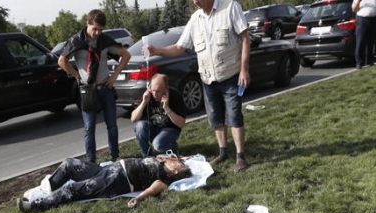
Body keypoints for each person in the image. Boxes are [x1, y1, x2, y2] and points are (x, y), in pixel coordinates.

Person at [147, 0, 251, 172]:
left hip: (231, 75)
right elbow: (179, 47)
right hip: (208, 78)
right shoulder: (195, 19)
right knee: (216, 117)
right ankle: (223, 152)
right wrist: (157, 51)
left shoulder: (231, 7)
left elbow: (245, 39)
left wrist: (244, 70)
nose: (195, 2)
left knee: (234, 116)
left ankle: (240, 157)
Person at [58, 9, 131, 163]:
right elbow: (62, 61)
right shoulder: (76, 41)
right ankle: (91, 161)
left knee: (112, 125)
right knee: (89, 128)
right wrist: (76, 75)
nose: (97, 32)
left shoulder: (104, 40)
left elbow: (126, 55)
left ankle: (115, 157)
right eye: (95, 28)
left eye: (100, 29)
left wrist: (115, 75)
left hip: (105, 88)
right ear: (88, 23)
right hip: (88, 90)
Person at [17, 156, 193, 213]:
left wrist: (138, 199)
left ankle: (36, 206)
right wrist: (185, 158)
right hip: (111, 169)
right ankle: (48, 193)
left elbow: (153, 189)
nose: (173, 160)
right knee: (69, 164)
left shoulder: (165, 177)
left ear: (176, 171)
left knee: (72, 190)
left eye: (176, 162)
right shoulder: (163, 162)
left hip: (116, 180)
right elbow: (179, 158)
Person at [130, 73, 187, 157]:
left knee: (158, 145)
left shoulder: (175, 95)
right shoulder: (148, 96)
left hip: (170, 129)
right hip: (154, 127)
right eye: (153, 90)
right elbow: (133, 119)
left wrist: (167, 108)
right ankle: (147, 157)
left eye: (158, 91)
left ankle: (173, 148)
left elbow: (181, 124)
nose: (155, 94)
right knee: (139, 126)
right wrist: (144, 102)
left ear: (166, 88)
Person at [353, 0, 376, 68]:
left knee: (371, 41)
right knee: (360, 41)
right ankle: (359, 62)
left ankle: (369, 60)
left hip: (374, 19)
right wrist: (359, 1)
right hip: (362, 19)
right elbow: (354, 9)